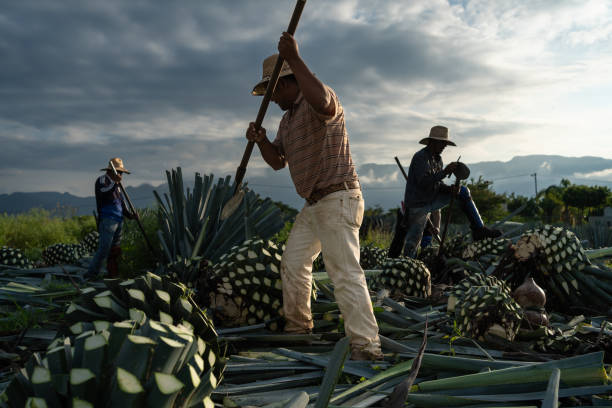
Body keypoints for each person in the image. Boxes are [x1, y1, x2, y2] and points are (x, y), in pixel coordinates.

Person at [246, 32, 383, 361]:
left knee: (344, 273)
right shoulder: (287, 120)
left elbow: (322, 100)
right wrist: (262, 140)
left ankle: (367, 347)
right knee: (293, 263)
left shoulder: (319, 100)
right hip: (314, 204)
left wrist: (293, 57)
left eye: (273, 90)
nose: (273, 99)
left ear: (285, 83)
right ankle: (298, 328)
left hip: (338, 198)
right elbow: (278, 162)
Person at [391, 126, 501, 258]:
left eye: (445, 144)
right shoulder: (421, 157)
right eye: (442, 143)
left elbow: (437, 184)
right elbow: (424, 182)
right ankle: (409, 264)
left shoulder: (438, 160)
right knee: (413, 241)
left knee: (463, 191)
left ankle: (479, 229)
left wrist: (450, 189)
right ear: (432, 142)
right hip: (417, 204)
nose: (444, 146)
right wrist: (445, 172)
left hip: (431, 199)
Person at [85, 157, 137, 279]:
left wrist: (130, 216)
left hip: (119, 220)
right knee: (104, 249)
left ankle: (112, 274)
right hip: (108, 219)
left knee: (115, 250)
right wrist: (115, 183)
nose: (121, 175)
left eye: (121, 173)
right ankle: (91, 275)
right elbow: (104, 193)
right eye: (119, 172)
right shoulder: (103, 180)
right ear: (111, 171)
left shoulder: (117, 185)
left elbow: (121, 204)